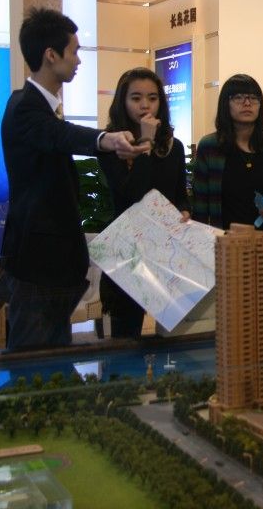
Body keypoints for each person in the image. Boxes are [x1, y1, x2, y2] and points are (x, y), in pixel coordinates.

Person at [0, 8, 149, 350]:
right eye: (74, 51)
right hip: (37, 264)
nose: (79, 60)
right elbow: (60, 135)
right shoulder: (25, 106)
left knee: (53, 362)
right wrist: (107, 139)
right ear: (51, 55)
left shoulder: (44, 107)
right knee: (32, 365)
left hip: (55, 267)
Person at [98, 68, 190, 339]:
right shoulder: (112, 145)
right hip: (128, 252)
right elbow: (131, 195)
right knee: (126, 337)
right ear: (123, 102)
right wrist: (146, 141)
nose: (145, 105)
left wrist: (184, 210)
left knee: (172, 340)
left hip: (165, 252)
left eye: (152, 98)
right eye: (136, 98)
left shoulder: (173, 146)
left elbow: (179, 194)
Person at [192, 73, 263, 229]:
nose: (247, 103)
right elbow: (200, 208)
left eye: (254, 98)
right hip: (227, 241)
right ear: (225, 104)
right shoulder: (210, 147)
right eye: (238, 98)